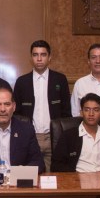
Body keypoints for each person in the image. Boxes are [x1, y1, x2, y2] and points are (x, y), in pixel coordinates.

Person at [13, 40, 71, 172]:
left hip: (54, 137)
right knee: (30, 178)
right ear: (31, 58)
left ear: (49, 57)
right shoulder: (22, 82)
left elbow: (66, 112)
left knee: (53, 179)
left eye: (43, 55)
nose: (39, 59)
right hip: (30, 137)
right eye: (35, 55)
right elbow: (16, 114)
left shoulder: (60, 79)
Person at [51, 93, 100, 172]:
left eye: (96, 110)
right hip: (77, 180)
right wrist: (75, 175)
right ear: (81, 113)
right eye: (87, 110)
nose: (91, 114)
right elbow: (56, 165)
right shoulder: (68, 136)